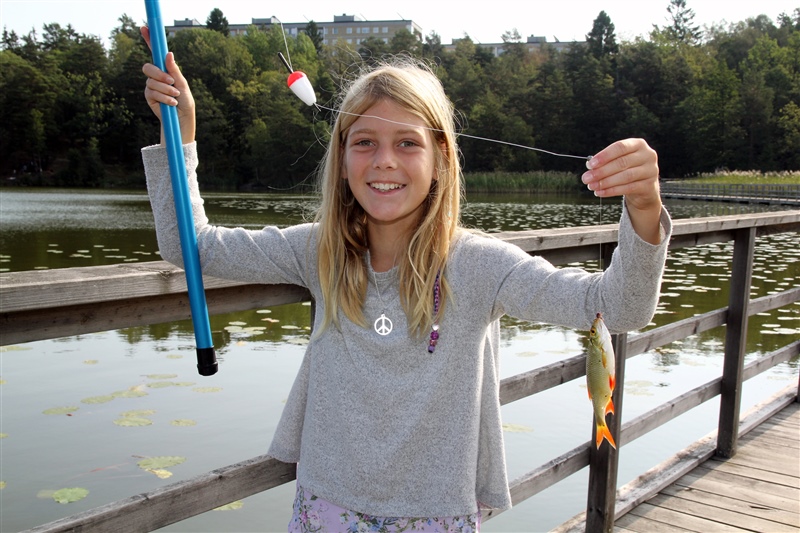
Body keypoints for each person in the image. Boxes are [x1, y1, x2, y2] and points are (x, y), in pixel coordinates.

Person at [141, 27, 671, 533]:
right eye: (364, 141)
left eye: (408, 143)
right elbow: (192, 246)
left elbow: (617, 307)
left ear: (441, 158)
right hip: (325, 505)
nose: (384, 161)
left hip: (438, 514)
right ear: (343, 158)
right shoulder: (317, 249)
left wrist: (644, 206)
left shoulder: (483, 264)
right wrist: (180, 134)